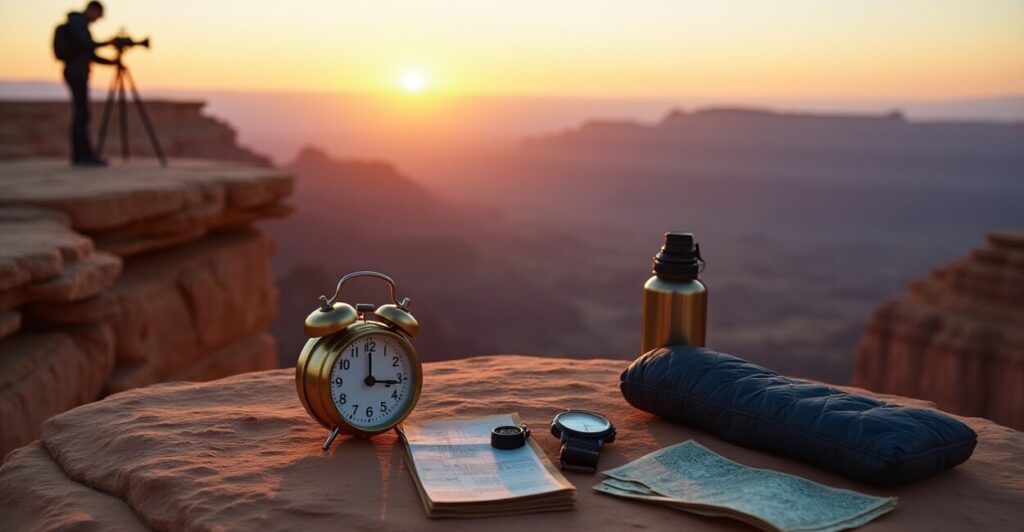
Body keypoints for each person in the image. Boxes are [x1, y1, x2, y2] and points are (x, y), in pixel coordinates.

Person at [59, 1, 117, 166]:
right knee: (82, 114)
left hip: (76, 71)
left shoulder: (78, 25)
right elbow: (87, 46)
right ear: (92, 10)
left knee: (81, 114)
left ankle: (81, 155)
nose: (98, 19)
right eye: (99, 15)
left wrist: (111, 62)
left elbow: (89, 53)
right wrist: (107, 43)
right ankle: (83, 156)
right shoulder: (77, 24)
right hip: (76, 72)